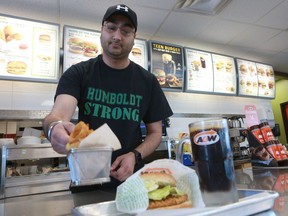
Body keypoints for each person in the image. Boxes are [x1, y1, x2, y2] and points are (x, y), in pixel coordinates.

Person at [43, 4, 173, 190]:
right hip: (87, 180)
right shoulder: (79, 73)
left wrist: (134, 155)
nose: (117, 36)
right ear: (102, 30)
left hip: (132, 182)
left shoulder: (148, 82)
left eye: (126, 31)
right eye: (111, 28)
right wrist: (53, 128)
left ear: (134, 37)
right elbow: (57, 116)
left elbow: (155, 132)